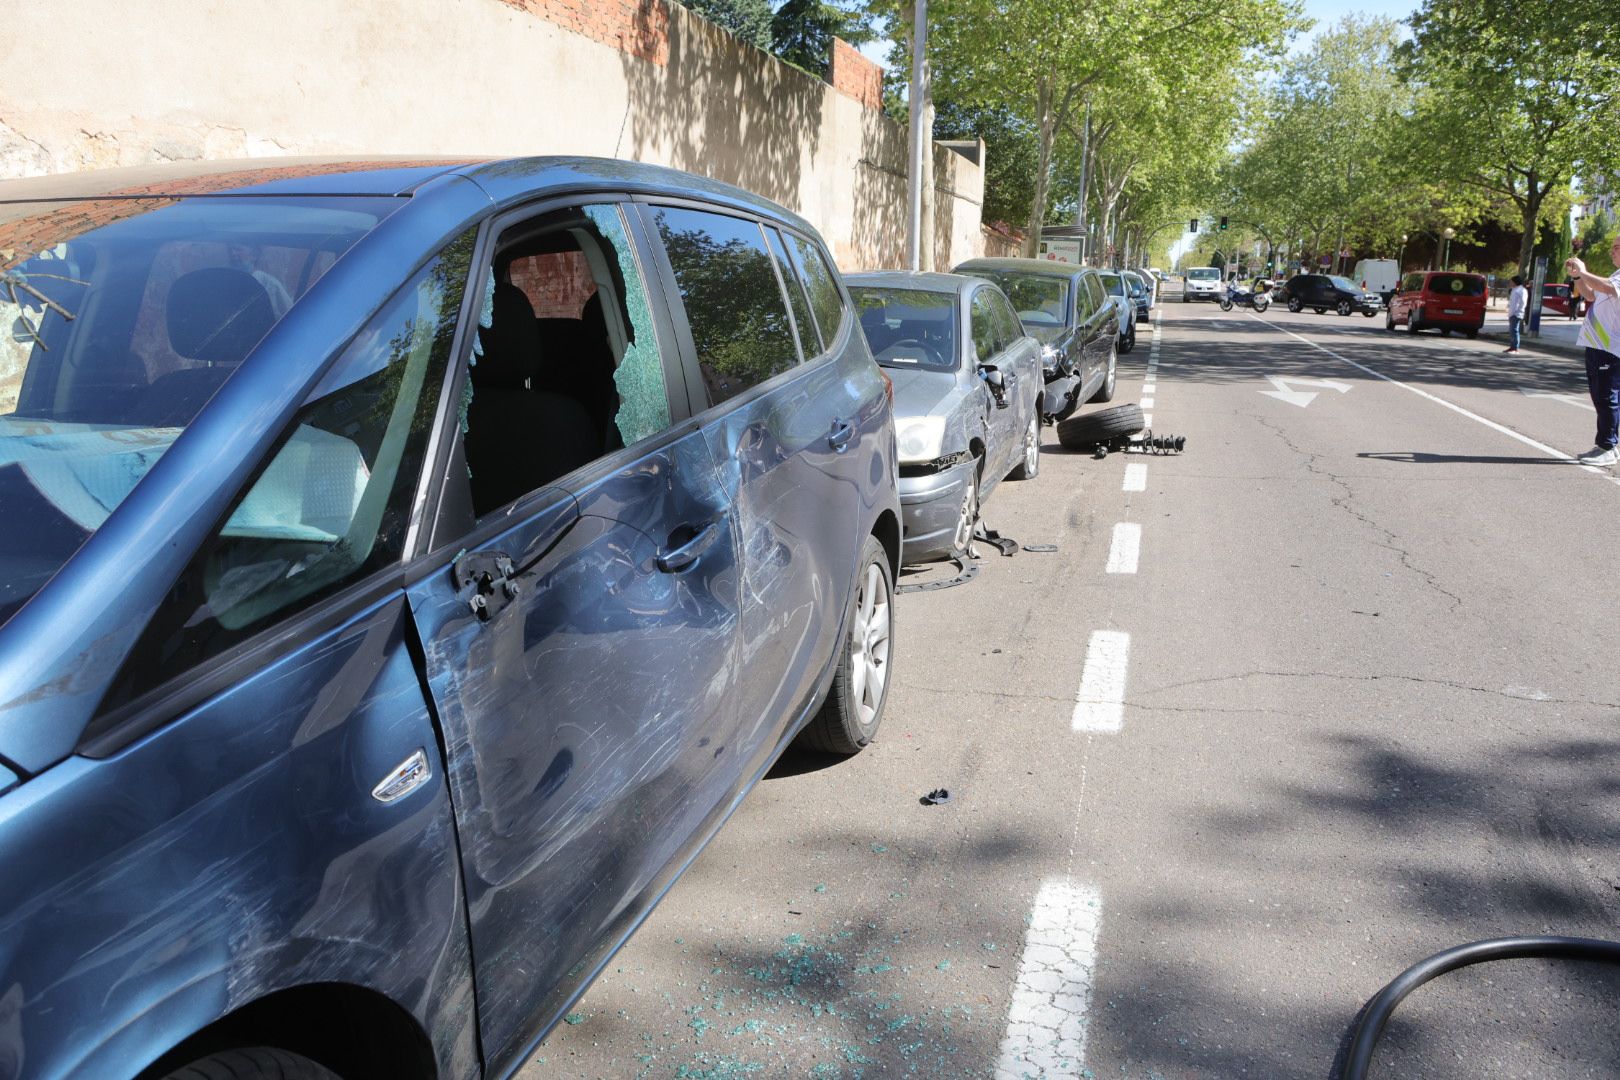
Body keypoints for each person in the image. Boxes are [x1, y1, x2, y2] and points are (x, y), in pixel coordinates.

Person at [1565, 235, 1620, 466]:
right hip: (1598, 345)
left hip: (1610, 347)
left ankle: (1608, 446)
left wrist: (1584, 270)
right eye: (1613, 248)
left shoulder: (1614, 280)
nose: (1612, 252)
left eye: (1617, 247)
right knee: (1600, 395)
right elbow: (1590, 294)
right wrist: (1577, 276)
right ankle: (1605, 445)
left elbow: (1605, 287)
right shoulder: (1616, 275)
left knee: (1607, 397)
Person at [1505, 275, 1527, 355]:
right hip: (1512, 313)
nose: (1510, 283)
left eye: (1511, 281)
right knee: (1512, 331)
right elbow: (1512, 302)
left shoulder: (1521, 290)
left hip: (1516, 313)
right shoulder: (1515, 290)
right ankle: (1512, 347)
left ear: (1515, 282)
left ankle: (1515, 348)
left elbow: (1521, 303)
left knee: (1514, 331)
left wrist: (1516, 312)